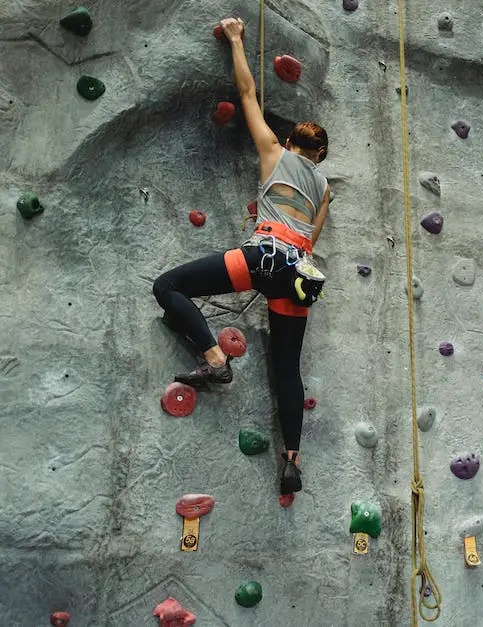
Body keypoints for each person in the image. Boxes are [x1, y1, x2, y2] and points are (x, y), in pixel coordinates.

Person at [152, 17, 330, 496]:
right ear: (321, 157)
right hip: (300, 274)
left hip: (265, 255)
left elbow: (248, 94)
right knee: (287, 368)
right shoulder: (325, 188)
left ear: (293, 143)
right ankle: (292, 458)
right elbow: (310, 237)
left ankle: (214, 359)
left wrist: (235, 39)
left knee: (168, 286)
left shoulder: (275, 151)